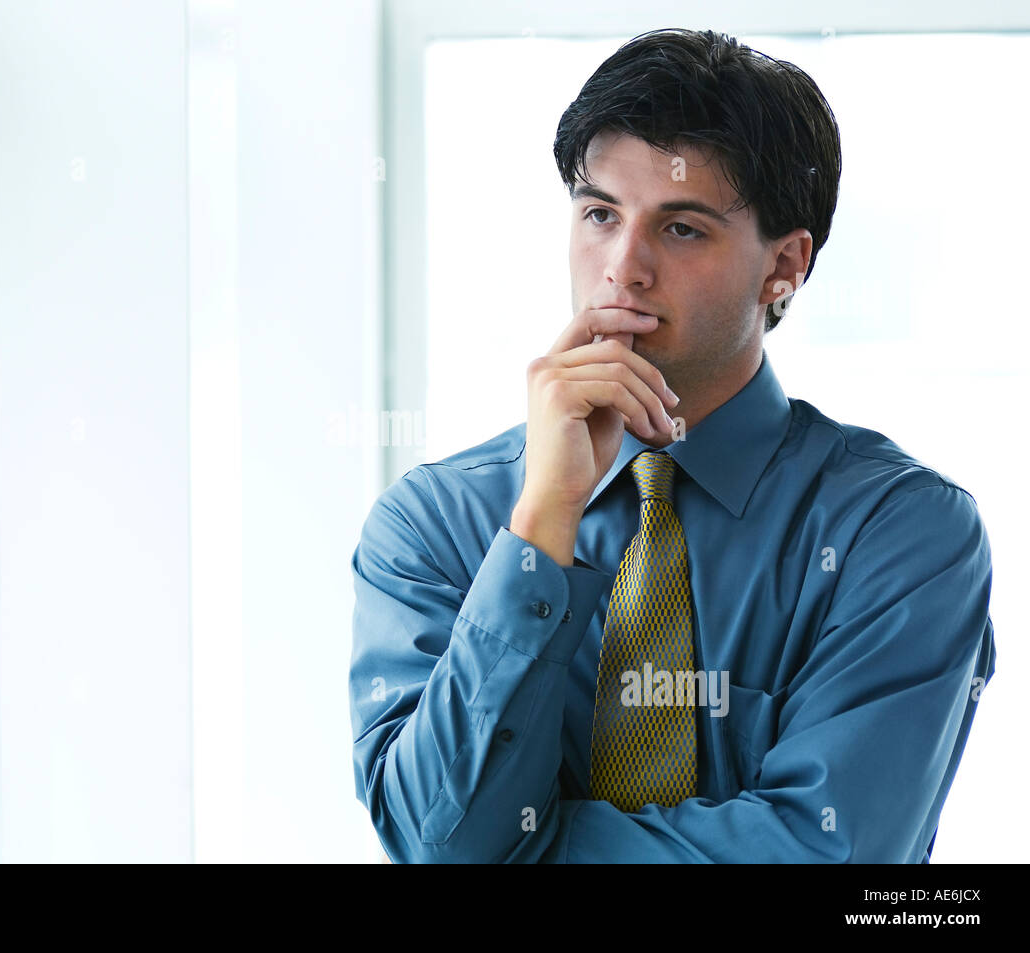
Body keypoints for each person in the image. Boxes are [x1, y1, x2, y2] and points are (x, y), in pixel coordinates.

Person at [348, 27, 995, 863]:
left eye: (681, 228)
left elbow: (828, 856)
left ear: (785, 266)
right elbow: (436, 840)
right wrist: (541, 524)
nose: (623, 266)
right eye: (599, 214)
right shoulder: (435, 524)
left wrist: (528, 852)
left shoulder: (899, 532)